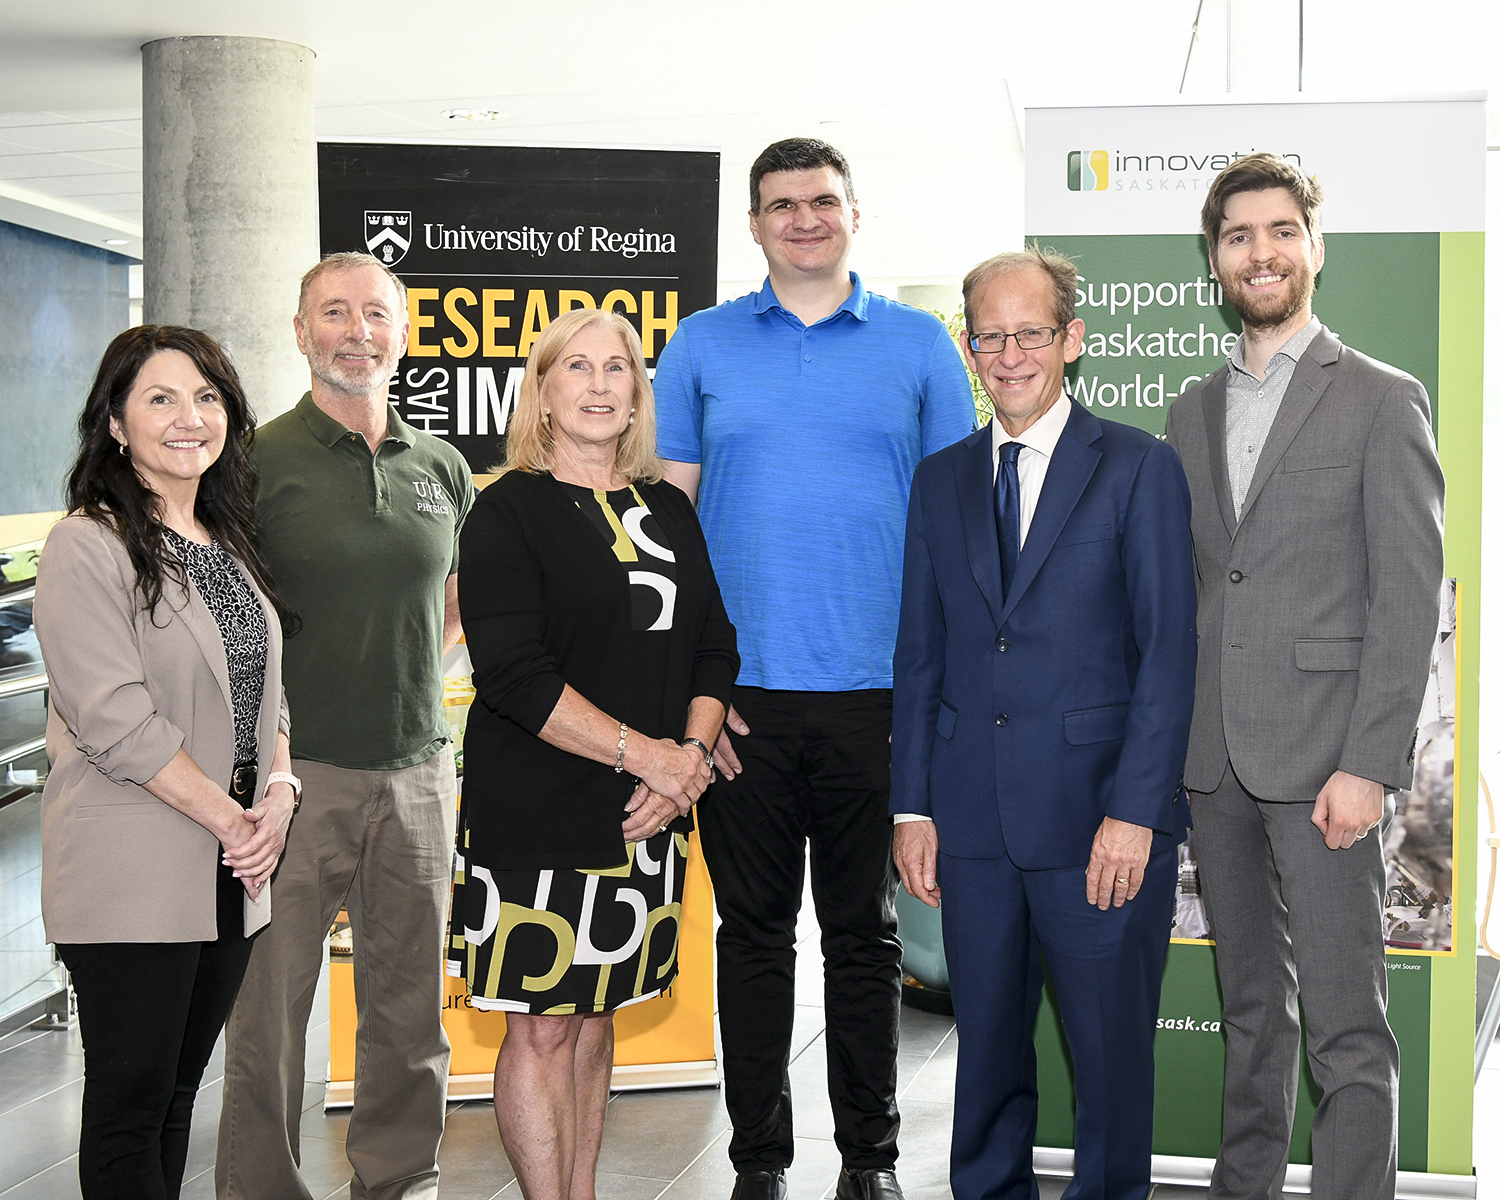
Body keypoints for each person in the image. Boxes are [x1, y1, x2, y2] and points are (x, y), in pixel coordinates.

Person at [653, 136, 975, 1200]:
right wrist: (691, 697)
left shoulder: (921, 347)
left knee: (863, 939)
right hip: (738, 706)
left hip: (878, 703)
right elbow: (671, 527)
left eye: (822, 201)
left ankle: (872, 1162)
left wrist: (932, 696)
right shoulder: (699, 346)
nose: (803, 218)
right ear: (753, 224)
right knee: (749, 939)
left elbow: (958, 530)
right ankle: (757, 1163)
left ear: (852, 214)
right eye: (781, 204)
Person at [890, 247, 1198, 1200]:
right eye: (991, 336)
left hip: (1098, 826)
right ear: (970, 346)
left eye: (1031, 333)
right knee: (981, 1058)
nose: (1010, 354)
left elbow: (1168, 654)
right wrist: (912, 809)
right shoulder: (941, 481)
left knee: (1108, 1067)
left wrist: (1136, 813)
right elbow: (920, 653)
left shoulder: (1139, 467)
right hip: (971, 825)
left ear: (1071, 340)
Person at [1165, 153, 1444, 1200]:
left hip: (1329, 762)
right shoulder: (1190, 414)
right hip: (1216, 765)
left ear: (1315, 248)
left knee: (1346, 1026)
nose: (1261, 251)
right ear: (1216, 261)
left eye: (1281, 230)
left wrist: (1371, 764)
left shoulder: (1381, 399)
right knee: (1249, 1013)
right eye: (1238, 235)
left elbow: (1407, 603)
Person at [449, 306, 738, 1200]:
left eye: (619, 370)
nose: (602, 386)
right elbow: (513, 676)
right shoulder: (507, 511)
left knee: (596, 1017)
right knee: (540, 1029)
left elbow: (713, 648)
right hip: (536, 811)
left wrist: (687, 757)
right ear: (542, 390)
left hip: (646, 817)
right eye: (578, 368)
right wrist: (651, 758)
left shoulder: (666, 510)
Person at [217, 252, 474, 1200]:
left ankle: (401, 1180)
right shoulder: (248, 462)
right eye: (334, 313)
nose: (356, 331)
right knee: (270, 1016)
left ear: (402, 333)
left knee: (409, 1010)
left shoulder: (442, 465)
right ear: (300, 332)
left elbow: (451, 604)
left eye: (375, 313)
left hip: (415, 775)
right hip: (293, 780)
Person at [34, 325, 298, 1199]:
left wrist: (282, 792)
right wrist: (234, 819)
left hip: (227, 871)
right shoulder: (88, 543)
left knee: (179, 1097)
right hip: (133, 872)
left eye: (208, 397)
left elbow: (265, 693)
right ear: (115, 422)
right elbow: (113, 718)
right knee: (130, 1105)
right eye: (161, 398)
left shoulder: (225, 539)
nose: (190, 418)